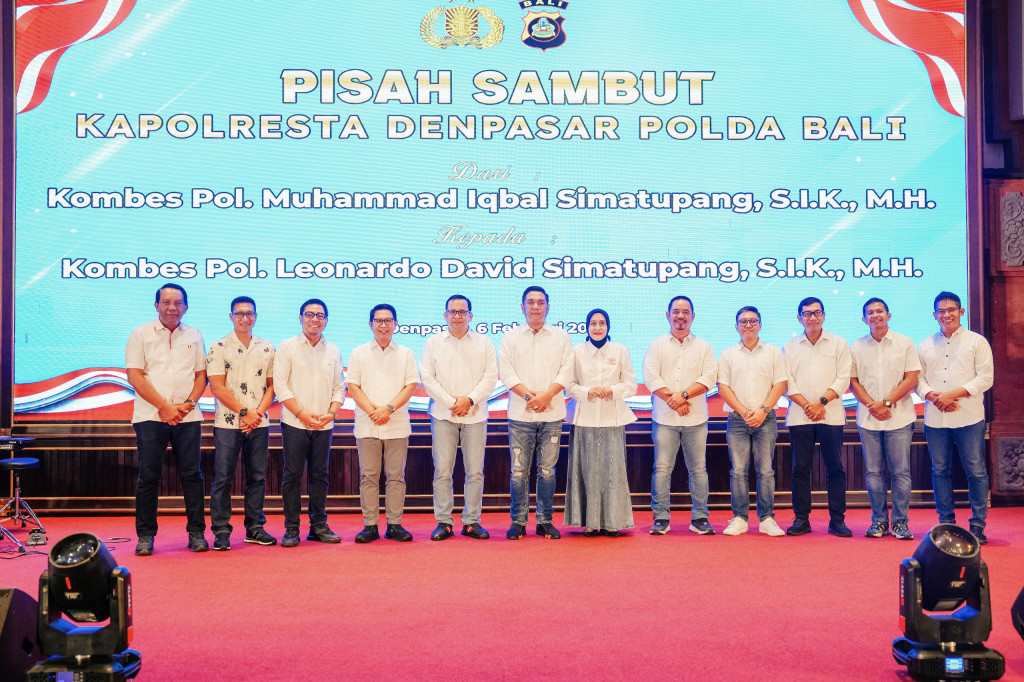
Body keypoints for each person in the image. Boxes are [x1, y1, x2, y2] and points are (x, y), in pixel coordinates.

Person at [125, 283, 208, 555]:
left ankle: (196, 532)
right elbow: (135, 375)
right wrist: (163, 407)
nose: (172, 307)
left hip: (187, 416)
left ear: (186, 307)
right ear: (156, 305)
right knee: (149, 476)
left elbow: (201, 375)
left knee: (192, 476)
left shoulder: (194, 334)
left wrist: (188, 405)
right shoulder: (140, 334)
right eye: (166, 302)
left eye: (178, 303)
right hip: (150, 416)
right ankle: (146, 535)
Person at [917, 291, 994, 544]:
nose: (946, 315)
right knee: (940, 470)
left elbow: (985, 378)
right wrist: (935, 397)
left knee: (976, 470)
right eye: (941, 311)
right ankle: (946, 523)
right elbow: (918, 379)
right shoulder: (926, 344)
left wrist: (952, 395)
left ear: (961, 312)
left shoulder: (977, 342)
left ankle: (978, 524)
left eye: (951, 310)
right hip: (935, 418)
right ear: (934, 315)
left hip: (969, 417)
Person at [420, 295, 498, 541]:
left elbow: (491, 377)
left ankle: (472, 521)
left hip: (475, 416)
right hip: (443, 415)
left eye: (462, 312)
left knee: (475, 472)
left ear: (470, 316)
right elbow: (427, 378)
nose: (457, 316)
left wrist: (469, 400)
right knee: (443, 471)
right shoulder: (433, 343)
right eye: (452, 312)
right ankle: (444, 521)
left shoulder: (484, 343)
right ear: (445, 315)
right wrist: (451, 403)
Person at [498, 286, 573, 540]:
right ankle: (518, 521)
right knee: (518, 472)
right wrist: (531, 397)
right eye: (530, 302)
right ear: (522, 307)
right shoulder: (510, 337)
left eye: (541, 303)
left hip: (552, 415)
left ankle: (544, 521)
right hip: (521, 414)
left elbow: (566, 371)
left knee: (547, 471)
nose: (536, 307)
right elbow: (507, 373)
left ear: (548, 307)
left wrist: (546, 396)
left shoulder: (561, 336)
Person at [206, 296, 277, 550]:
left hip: (259, 422)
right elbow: (217, 386)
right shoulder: (219, 346)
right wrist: (245, 412)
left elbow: (272, 386)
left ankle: (255, 527)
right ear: (231, 317)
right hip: (227, 423)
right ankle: (221, 531)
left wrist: (257, 414)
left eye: (249, 314)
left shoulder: (267, 347)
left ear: (256, 316)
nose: (245, 318)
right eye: (239, 314)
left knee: (257, 477)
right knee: (223, 478)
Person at [643, 296, 718, 535]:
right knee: (662, 469)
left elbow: (709, 378)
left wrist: (682, 396)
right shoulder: (657, 345)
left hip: (696, 419)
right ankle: (661, 518)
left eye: (686, 312)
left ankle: (700, 518)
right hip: (664, 419)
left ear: (693, 316)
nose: (680, 316)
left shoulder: (704, 346)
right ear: (668, 315)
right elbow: (651, 377)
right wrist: (675, 403)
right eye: (676, 311)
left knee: (698, 470)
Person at [274, 298, 345, 548]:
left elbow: (339, 387)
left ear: (326, 320)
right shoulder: (287, 347)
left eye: (320, 315)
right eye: (309, 314)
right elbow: (280, 385)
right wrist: (302, 414)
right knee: (292, 475)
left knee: (320, 476)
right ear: (301, 318)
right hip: (295, 423)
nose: (315, 319)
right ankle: (292, 527)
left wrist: (332, 413)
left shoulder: (333, 350)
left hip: (324, 424)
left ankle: (318, 526)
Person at [849, 297, 921, 541]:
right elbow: (853, 381)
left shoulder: (905, 342)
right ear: (864, 319)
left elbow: (911, 378)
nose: (875, 315)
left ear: (889, 315)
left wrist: (886, 403)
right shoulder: (856, 346)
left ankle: (900, 522)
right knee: (874, 473)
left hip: (899, 417)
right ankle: (879, 521)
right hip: (868, 419)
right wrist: (873, 406)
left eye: (879, 311)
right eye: (870, 312)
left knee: (900, 472)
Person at [347, 304, 419, 543]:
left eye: (388, 320)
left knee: (396, 476)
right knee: (368, 476)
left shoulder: (406, 354)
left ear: (395, 324)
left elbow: (410, 386)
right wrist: (373, 412)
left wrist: (387, 409)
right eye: (378, 321)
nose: (383, 325)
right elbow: (353, 386)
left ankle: (394, 525)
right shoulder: (358, 353)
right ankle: (370, 526)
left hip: (396, 423)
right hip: (367, 424)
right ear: (370, 324)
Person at [783, 297, 852, 537]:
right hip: (800, 416)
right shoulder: (790, 347)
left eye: (817, 313)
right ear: (799, 317)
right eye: (807, 313)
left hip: (830, 415)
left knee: (835, 468)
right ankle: (801, 519)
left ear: (823, 316)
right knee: (800, 469)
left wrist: (821, 402)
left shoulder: (839, 344)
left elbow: (843, 378)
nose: (812, 317)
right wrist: (807, 405)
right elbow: (786, 382)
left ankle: (837, 520)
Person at [564, 309, 637, 536]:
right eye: (593, 323)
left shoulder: (620, 350)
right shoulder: (576, 351)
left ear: (608, 326)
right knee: (587, 471)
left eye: (602, 323)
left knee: (612, 472)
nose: (597, 328)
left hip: (612, 418)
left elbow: (631, 385)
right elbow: (568, 385)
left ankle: (611, 523)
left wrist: (611, 390)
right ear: (587, 327)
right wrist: (587, 391)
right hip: (583, 418)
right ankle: (589, 523)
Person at [716, 306, 787, 537]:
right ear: (736, 326)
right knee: (738, 471)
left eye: (753, 321)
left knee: (765, 471)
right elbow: (723, 386)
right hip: (737, 420)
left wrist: (763, 411)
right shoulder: (727, 354)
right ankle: (740, 518)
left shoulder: (773, 352)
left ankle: (766, 519)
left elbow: (780, 383)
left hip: (766, 419)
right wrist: (745, 412)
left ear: (760, 325)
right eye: (743, 321)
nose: (748, 325)